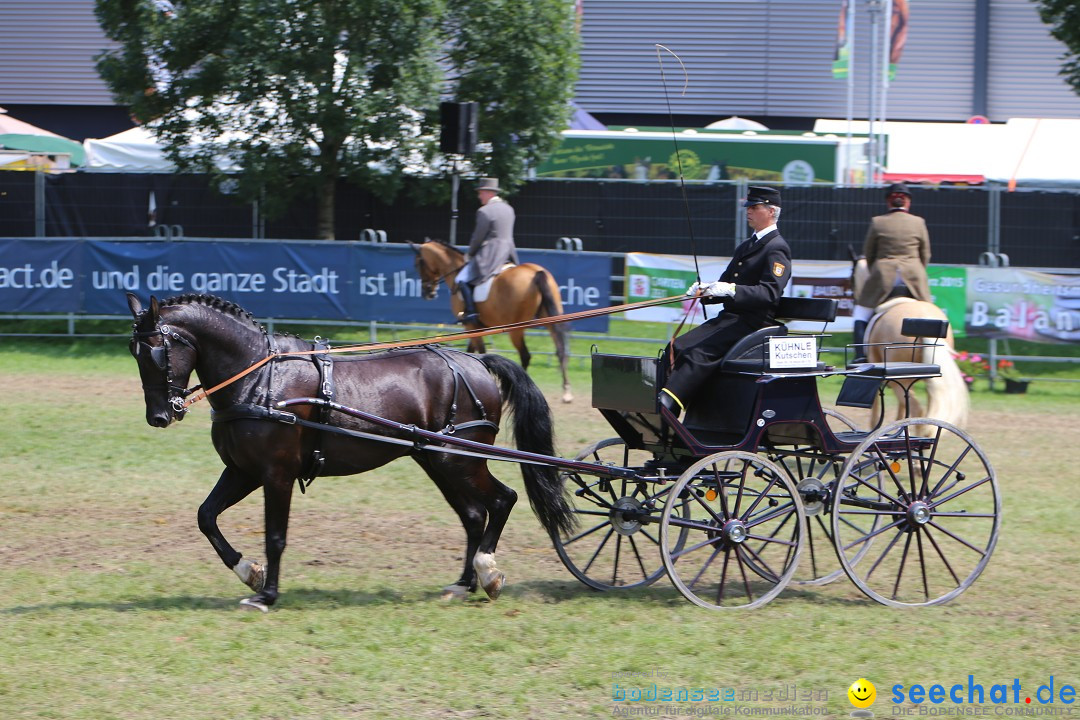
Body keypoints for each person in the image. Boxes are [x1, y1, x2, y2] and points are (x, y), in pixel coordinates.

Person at [659, 186, 792, 419]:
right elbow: (725, 285)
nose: (748, 211)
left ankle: (669, 404)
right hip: (730, 320)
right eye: (748, 207)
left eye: (754, 207)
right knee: (677, 346)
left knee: (697, 353)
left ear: (771, 211)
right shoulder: (746, 246)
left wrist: (732, 289)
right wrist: (706, 291)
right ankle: (659, 399)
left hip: (753, 323)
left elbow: (769, 293)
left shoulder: (776, 247)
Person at [850, 182, 932, 362]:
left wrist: (876, 271)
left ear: (889, 201)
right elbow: (925, 254)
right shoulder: (919, 222)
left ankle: (860, 356)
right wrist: (917, 270)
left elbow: (870, 254)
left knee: (860, 313)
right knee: (931, 312)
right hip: (913, 276)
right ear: (907, 202)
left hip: (884, 276)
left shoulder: (878, 222)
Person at [455, 177, 519, 324]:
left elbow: (478, 237)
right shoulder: (509, 209)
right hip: (508, 253)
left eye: (480, 193)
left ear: (488, 193)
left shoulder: (484, 211)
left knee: (461, 279)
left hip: (490, 254)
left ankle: (470, 312)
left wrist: (470, 254)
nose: (479, 197)